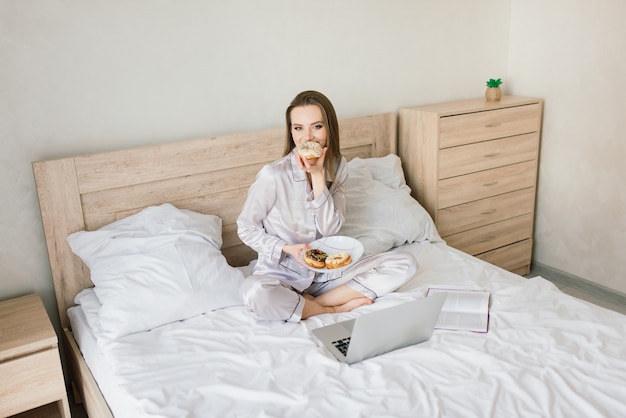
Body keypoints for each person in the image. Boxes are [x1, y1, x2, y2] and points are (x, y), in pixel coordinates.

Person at [237, 90, 418, 322]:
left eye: (317, 127)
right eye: (298, 128)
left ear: (329, 129)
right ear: (291, 131)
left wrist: (319, 175)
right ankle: (332, 309)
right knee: (254, 292)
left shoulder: (338, 166)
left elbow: (329, 229)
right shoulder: (272, 175)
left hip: (325, 275)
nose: (307, 137)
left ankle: (312, 304)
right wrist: (286, 248)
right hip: (281, 274)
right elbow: (245, 227)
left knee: (405, 263)